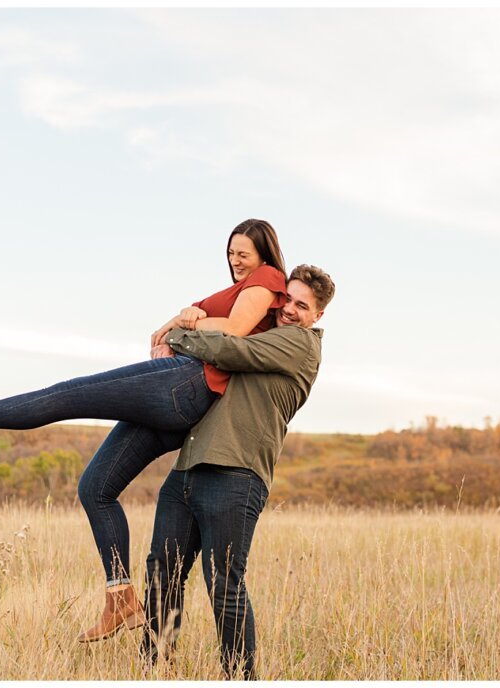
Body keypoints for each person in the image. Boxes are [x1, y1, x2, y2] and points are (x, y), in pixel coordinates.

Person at [0, 219, 288, 642]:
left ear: (263, 256)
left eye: (243, 254)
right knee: (95, 487)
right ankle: (120, 596)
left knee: (70, 394)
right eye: (230, 253)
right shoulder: (237, 288)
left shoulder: (268, 279)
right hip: (181, 392)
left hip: (186, 383)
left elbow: (234, 331)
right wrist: (177, 324)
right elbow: (172, 328)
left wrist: (188, 325)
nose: (235, 261)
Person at [141, 264, 334, 680]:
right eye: (287, 299)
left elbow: (231, 350)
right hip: (189, 467)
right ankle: (154, 669)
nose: (290, 310)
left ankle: (239, 677)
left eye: (303, 305)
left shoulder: (301, 345)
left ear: (317, 315)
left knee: (224, 586)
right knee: (163, 575)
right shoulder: (264, 329)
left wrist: (175, 334)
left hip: (237, 475)